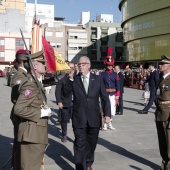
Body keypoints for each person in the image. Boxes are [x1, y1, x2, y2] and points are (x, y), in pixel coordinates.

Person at [65, 56, 111, 170]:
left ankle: (89, 163)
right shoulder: (74, 79)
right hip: (79, 117)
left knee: (92, 143)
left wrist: (107, 114)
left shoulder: (98, 79)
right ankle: (80, 166)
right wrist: (69, 80)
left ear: (89, 65)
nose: (80, 66)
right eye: (79, 64)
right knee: (79, 144)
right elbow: (66, 94)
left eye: (83, 63)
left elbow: (105, 98)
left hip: (94, 117)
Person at [14, 54, 51, 170]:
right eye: (43, 63)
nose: (45, 65)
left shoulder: (36, 83)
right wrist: (40, 113)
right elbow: (19, 109)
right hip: (32, 136)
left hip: (35, 135)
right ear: (35, 66)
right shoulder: (31, 84)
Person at [10, 49, 30, 170]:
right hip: (20, 114)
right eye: (28, 60)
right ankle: (16, 166)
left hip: (22, 113)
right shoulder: (19, 76)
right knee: (19, 143)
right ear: (22, 61)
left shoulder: (24, 74)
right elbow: (17, 97)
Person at [155, 55, 170, 170]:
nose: (159, 66)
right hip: (160, 113)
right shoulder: (161, 77)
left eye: (162, 64)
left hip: (168, 114)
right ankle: (164, 161)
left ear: (168, 66)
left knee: (169, 141)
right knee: (162, 140)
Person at [100, 47, 120, 130]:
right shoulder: (102, 74)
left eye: (111, 65)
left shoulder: (115, 74)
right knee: (105, 109)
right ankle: (105, 124)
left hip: (113, 95)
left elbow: (118, 85)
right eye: (108, 65)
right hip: (104, 94)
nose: (110, 67)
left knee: (112, 110)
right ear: (106, 65)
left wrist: (117, 95)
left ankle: (110, 123)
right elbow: (100, 85)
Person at [55, 62, 75, 143]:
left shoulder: (78, 79)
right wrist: (59, 101)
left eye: (73, 68)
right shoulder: (62, 80)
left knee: (76, 121)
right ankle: (64, 134)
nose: (71, 70)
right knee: (64, 120)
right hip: (65, 103)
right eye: (69, 68)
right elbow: (58, 92)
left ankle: (77, 136)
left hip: (76, 104)